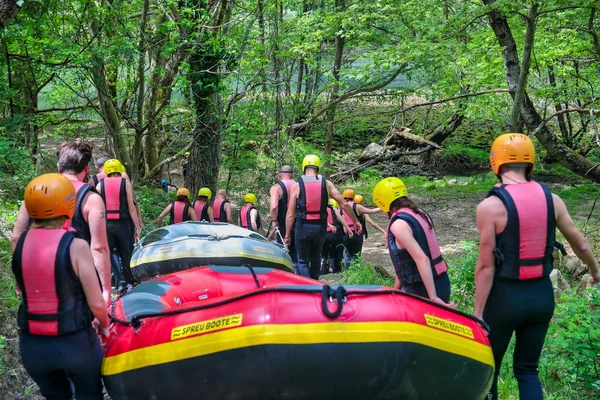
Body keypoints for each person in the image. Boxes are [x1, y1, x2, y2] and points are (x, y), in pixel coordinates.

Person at [474, 133, 600, 400]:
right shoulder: (552, 199)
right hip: (542, 296)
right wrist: (595, 271)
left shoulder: (490, 206)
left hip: (505, 298)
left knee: (489, 370)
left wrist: (478, 315)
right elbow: (581, 245)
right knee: (527, 370)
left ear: (495, 163)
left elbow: (486, 267)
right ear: (530, 163)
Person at [12, 173, 110, 400]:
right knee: (89, 394)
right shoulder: (76, 246)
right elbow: (96, 302)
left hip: (32, 348)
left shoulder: (20, 244)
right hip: (75, 345)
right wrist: (104, 325)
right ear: (68, 204)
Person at [11, 139, 111, 305]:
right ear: (86, 169)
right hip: (77, 285)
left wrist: (19, 279)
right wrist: (106, 290)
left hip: (37, 281)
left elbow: (16, 237)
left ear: (59, 168)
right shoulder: (91, 199)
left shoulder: (35, 193)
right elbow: (99, 248)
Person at [373, 177, 452, 306]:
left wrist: (433, 297)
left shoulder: (398, 224)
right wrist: (395, 291)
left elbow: (423, 259)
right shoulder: (420, 213)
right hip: (442, 283)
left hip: (422, 290)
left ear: (382, 202)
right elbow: (404, 263)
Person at [285, 154, 362, 279]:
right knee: (316, 257)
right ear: (318, 167)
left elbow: (290, 214)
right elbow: (343, 203)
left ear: (304, 167)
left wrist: (287, 234)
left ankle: (306, 288)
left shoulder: (297, 185)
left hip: (303, 227)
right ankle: (315, 286)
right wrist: (356, 220)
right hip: (320, 228)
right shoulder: (326, 184)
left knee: (303, 261)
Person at [96, 159, 142, 287]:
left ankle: (119, 281)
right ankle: (129, 280)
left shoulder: (100, 185)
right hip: (123, 224)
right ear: (119, 169)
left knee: (112, 253)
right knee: (126, 252)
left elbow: (97, 208)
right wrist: (137, 227)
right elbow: (131, 208)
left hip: (107, 225)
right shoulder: (125, 183)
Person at [340, 188, 383, 267]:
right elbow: (372, 211)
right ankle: (356, 273)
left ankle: (348, 273)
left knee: (346, 254)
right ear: (353, 196)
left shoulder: (340, 207)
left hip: (346, 233)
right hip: (357, 233)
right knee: (356, 254)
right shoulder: (357, 206)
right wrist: (384, 206)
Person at [269, 165, 297, 267]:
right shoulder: (298, 185)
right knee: (296, 253)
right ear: (292, 175)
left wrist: (274, 220)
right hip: (298, 222)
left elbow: (274, 206)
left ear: (279, 175)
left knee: (283, 252)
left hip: (283, 223)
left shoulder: (276, 188)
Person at [321, 199, 353, 275]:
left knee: (323, 254)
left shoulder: (321, 208)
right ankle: (333, 268)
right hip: (335, 234)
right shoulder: (333, 209)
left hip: (324, 234)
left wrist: (328, 225)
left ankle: (321, 270)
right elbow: (341, 219)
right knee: (334, 252)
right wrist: (348, 229)